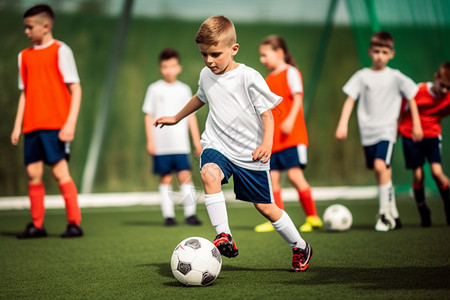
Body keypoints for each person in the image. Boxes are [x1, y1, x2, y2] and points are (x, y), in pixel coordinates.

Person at [155, 16, 312, 272]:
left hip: (250, 153)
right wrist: (175, 117)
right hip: (217, 144)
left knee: (265, 207)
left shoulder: (249, 77)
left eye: (215, 54)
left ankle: (300, 245)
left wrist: (266, 143)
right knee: (208, 173)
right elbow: (200, 97)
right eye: (204, 54)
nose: (209, 61)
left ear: (234, 49)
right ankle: (224, 235)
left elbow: (268, 114)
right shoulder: (206, 74)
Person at [335, 31, 423, 232]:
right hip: (368, 133)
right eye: (376, 51)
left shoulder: (396, 76)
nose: (380, 55)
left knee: (379, 166)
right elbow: (350, 100)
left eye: (384, 52)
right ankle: (395, 215)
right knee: (382, 172)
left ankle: (384, 215)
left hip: (387, 130)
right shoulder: (361, 76)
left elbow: (412, 96)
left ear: (391, 54)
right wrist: (342, 124)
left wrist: (416, 124)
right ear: (369, 52)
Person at [11, 4, 83, 238]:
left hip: (56, 126)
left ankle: (74, 223)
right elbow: (25, 93)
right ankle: (37, 225)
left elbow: (76, 89)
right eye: (24, 27)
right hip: (32, 126)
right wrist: (17, 126)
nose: (26, 31)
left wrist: (70, 123)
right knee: (33, 174)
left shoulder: (61, 50)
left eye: (29, 27)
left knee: (60, 173)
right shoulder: (24, 56)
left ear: (46, 25)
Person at [255, 35, 322, 233]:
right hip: (274, 141)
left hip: (293, 137)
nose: (262, 60)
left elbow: (298, 98)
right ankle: (278, 220)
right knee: (272, 179)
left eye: (264, 55)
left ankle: (312, 217)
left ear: (279, 52)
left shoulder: (291, 72)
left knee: (294, 176)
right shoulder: (268, 79)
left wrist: (291, 120)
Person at [142, 48, 203, 226]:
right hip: (161, 145)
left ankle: (190, 214)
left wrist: (196, 141)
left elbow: (190, 116)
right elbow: (148, 115)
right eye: (165, 66)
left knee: (185, 176)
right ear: (160, 68)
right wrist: (150, 140)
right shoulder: (154, 89)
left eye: (172, 66)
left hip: (180, 144)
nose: (169, 70)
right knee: (165, 178)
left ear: (179, 67)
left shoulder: (184, 89)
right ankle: (168, 216)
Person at [398, 62, 450, 227]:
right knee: (418, 175)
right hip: (411, 134)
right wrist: (398, 129)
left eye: (448, 88)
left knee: (436, 172)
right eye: (442, 85)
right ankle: (423, 210)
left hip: (433, 135)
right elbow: (401, 110)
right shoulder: (417, 91)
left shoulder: (448, 96)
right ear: (436, 77)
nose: (444, 91)